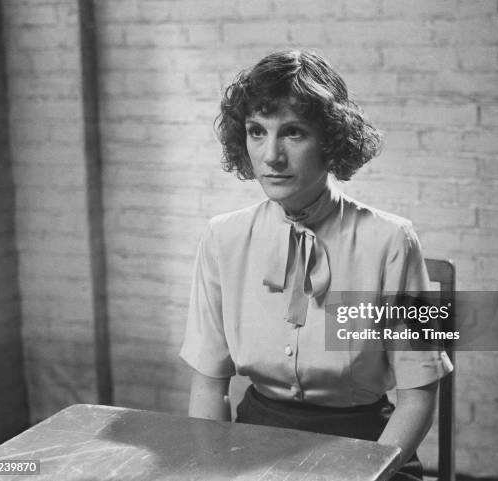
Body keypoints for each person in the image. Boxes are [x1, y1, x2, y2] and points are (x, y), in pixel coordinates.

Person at [179, 50, 453, 481]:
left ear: (330, 140)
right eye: (256, 131)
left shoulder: (394, 242)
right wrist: (213, 468)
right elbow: (209, 386)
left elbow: (419, 398)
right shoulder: (221, 239)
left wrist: (367, 473)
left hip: (370, 450)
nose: (271, 155)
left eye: (293, 133)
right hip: (252, 446)